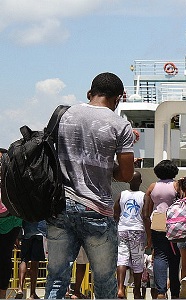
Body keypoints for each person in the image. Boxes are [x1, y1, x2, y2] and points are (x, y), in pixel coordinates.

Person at [45, 72, 134, 299]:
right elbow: (126, 174)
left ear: (89, 93)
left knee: (56, 279)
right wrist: (106, 166)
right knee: (104, 282)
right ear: (118, 99)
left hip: (60, 206)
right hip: (96, 210)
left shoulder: (64, 115)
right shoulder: (121, 125)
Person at [144, 160, 181, 299]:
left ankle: (160, 291)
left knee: (160, 256)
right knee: (175, 258)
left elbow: (146, 212)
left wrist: (148, 234)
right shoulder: (177, 185)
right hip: (175, 224)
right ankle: (175, 293)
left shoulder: (152, 187)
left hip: (157, 222)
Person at [114, 171, 147, 299]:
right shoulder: (144, 196)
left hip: (122, 229)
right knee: (137, 261)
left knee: (122, 259)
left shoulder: (121, 195)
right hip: (137, 230)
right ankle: (137, 292)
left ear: (128, 181)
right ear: (141, 181)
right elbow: (145, 216)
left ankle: (121, 288)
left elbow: (115, 214)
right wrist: (149, 235)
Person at [0, 146, 23, 299]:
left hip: (11, 222)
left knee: (3, 258)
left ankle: (2, 294)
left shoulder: (14, 177)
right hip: (10, 221)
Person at [16, 220, 47, 300]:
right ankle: (32, 293)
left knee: (23, 260)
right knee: (35, 262)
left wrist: (18, 236)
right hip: (40, 231)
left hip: (27, 230)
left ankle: (20, 288)